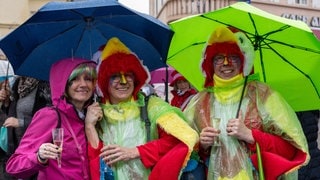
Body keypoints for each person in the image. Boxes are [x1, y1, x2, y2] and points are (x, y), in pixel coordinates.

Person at [183, 26, 309, 179]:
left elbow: (290, 150)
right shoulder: (200, 102)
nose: (225, 63)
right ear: (210, 63)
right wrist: (201, 145)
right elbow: (182, 153)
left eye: (233, 57)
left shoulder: (263, 95)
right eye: (218, 58)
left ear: (244, 61)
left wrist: (250, 135)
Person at [85, 37, 199, 180]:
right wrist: (89, 126)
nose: (123, 81)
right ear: (104, 81)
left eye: (128, 75)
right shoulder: (96, 113)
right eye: (115, 76)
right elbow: (96, 161)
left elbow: (182, 138)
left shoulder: (152, 106)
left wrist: (136, 151)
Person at [6, 58, 101, 179]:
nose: (83, 84)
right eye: (75, 79)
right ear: (63, 84)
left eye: (88, 79)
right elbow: (14, 165)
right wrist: (39, 157)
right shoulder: (50, 116)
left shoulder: (92, 116)